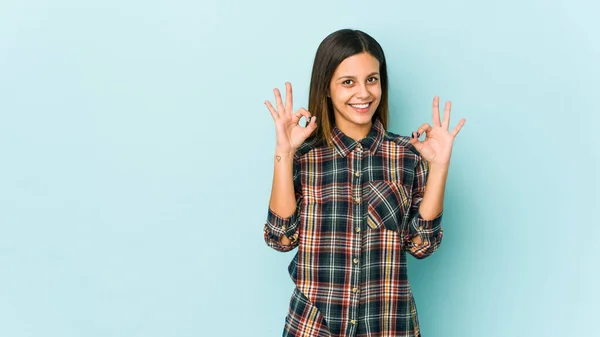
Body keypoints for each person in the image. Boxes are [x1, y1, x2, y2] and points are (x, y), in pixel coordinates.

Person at [263, 29, 465, 337]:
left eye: (372, 79)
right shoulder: (305, 156)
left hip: (388, 325)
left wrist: (439, 167)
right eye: (348, 82)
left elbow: (422, 245)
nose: (364, 93)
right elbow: (281, 239)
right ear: (327, 89)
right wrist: (284, 153)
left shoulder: (407, 155)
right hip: (314, 326)